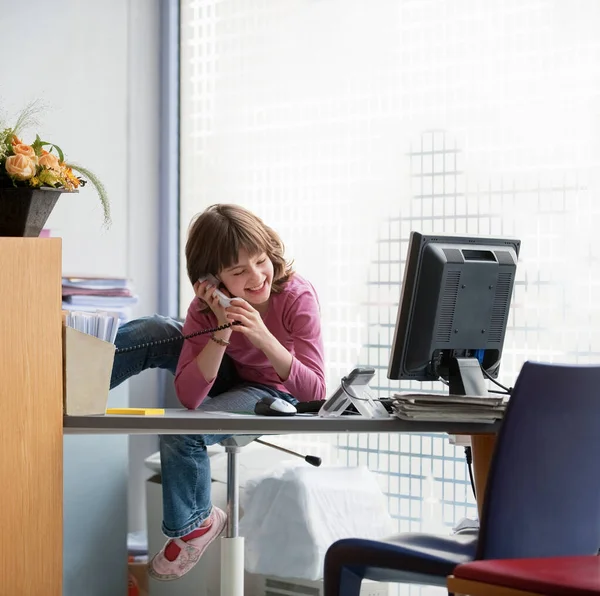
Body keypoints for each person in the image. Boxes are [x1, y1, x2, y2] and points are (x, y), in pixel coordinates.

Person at [111, 204, 326, 581]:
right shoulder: (204, 309)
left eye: (261, 261)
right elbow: (191, 398)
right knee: (154, 329)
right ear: (214, 280)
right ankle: (67, 381)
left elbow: (315, 390)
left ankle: (197, 523)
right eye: (239, 271)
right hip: (226, 369)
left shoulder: (295, 296)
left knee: (183, 431)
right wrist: (222, 329)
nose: (257, 277)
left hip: (275, 389)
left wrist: (261, 334)